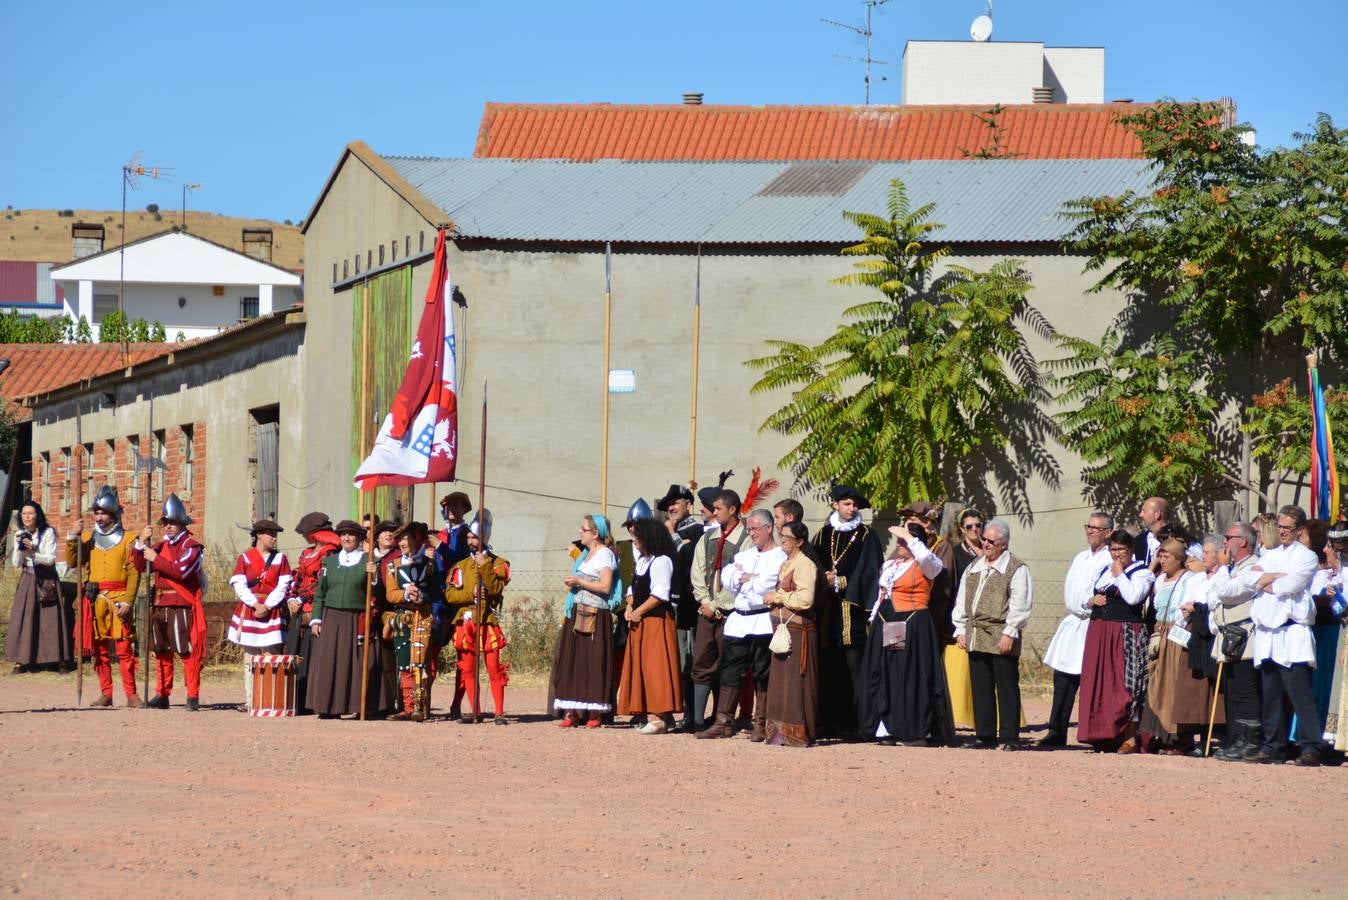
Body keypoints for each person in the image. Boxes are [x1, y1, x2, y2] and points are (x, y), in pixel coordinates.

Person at [858, 522, 953, 746]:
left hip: (912, 623)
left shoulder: (927, 565)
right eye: (899, 541)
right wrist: (873, 618)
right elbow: (882, 594)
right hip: (889, 622)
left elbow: (928, 561)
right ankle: (889, 727)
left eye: (903, 541)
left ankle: (914, 729)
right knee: (891, 673)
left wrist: (911, 538)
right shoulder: (891, 565)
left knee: (910, 675)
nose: (899, 544)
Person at [1246, 506, 1326, 765]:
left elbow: (1291, 585)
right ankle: (1273, 745)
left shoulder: (1307, 557)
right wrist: (1268, 581)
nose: (1282, 532)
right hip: (1268, 632)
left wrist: (1266, 583)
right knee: (1271, 694)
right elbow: (1251, 580)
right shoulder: (1268, 554)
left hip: (1293, 631)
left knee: (1299, 692)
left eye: (1288, 528)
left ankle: (1311, 746)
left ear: (1300, 529)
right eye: (1280, 526)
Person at [701, 509, 786, 740]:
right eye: (749, 529)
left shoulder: (780, 556)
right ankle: (723, 721)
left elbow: (766, 585)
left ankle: (761, 723)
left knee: (762, 672)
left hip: (762, 621)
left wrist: (749, 579)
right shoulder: (744, 555)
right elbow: (727, 578)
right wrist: (745, 577)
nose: (751, 533)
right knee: (730, 671)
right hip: (739, 621)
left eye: (755, 529)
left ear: (768, 528)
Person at [952, 518, 1032, 750]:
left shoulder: (1016, 568)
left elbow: (1021, 604)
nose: (985, 543)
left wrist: (1010, 632)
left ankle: (1010, 737)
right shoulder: (974, 567)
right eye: (984, 539)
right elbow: (961, 600)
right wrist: (960, 629)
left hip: (1001, 634)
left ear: (1003, 544)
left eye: (991, 541)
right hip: (976, 634)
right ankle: (985, 735)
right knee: (981, 686)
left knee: (1006, 686)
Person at [812, 484, 883, 740]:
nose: (851, 509)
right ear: (835, 505)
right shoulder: (822, 534)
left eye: (854, 505)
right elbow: (812, 563)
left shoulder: (867, 535)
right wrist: (823, 578)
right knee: (830, 668)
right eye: (846, 504)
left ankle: (860, 726)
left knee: (856, 670)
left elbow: (871, 571)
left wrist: (841, 581)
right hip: (828, 614)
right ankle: (829, 723)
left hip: (853, 615)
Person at [1039, 512, 1114, 748]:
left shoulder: (1109, 560)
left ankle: (1095, 733)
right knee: (1062, 679)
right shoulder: (1080, 557)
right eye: (1088, 526)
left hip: (1093, 624)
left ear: (1108, 533)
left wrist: (1087, 603)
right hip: (1073, 622)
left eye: (1096, 528)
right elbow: (1071, 590)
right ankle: (1056, 730)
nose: (1090, 531)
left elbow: (1099, 593)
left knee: (1091, 682)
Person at [1077, 530, 1155, 752]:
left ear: (1130, 550)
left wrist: (1120, 574)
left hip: (1125, 632)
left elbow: (1133, 597)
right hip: (1099, 631)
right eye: (1113, 549)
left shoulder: (1141, 573)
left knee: (1125, 684)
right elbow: (1083, 596)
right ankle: (1102, 734)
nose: (1117, 554)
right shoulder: (1104, 570)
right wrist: (1090, 601)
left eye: (1121, 549)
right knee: (1098, 682)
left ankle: (1128, 735)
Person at [1139, 538, 1216, 754]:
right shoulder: (1160, 579)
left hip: (1177, 636)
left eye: (1167, 557)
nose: (1163, 561)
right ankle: (1160, 735)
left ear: (1179, 558)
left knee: (1175, 687)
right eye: (1160, 556)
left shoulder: (1191, 579)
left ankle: (1179, 739)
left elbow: (1187, 608)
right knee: (1157, 686)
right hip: (1160, 634)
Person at [65, 487, 141, 706]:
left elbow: (134, 572)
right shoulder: (87, 538)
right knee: (99, 651)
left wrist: (128, 600)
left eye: (103, 513)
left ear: (114, 514)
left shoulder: (129, 539)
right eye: (96, 513)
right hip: (95, 599)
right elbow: (72, 562)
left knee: (124, 649)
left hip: (119, 600)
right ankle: (106, 693)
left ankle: (131, 694)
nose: (99, 517)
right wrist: (72, 536)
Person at [308, 520, 389, 718]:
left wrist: (375, 575)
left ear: (359, 538)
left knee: (356, 663)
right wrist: (316, 619)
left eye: (351, 534)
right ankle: (328, 707)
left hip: (357, 618)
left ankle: (357, 706)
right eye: (343, 534)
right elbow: (320, 593)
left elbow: (379, 593)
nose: (346, 538)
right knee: (329, 662)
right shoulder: (329, 562)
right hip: (331, 618)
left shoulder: (368, 561)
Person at [133, 493, 206, 711]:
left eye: (172, 522)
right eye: (166, 523)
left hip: (180, 602)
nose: (168, 527)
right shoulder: (158, 546)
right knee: (161, 649)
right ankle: (162, 694)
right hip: (159, 602)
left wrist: (156, 559)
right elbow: (138, 566)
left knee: (185, 650)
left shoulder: (192, 546)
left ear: (182, 523)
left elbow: (181, 571)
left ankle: (192, 695)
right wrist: (140, 543)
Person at [689, 488, 751, 732]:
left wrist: (717, 604)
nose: (713, 513)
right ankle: (696, 720)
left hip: (731, 613)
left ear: (732, 510)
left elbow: (741, 578)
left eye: (717, 509)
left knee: (730, 665)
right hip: (707, 611)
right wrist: (705, 601)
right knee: (702, 662)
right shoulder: (707, 538)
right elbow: (698, 571)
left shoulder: (745, 540)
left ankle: (723, 719)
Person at [552, 515, 622, 727]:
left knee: (593, 660)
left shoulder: (604, 554)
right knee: (574, 659)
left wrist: (579, 581)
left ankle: (595, 713)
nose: (580, 532)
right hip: (577, 611)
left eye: (583, 529)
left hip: (595, 614)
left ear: (595, 533)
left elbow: (606, 586)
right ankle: (572, 711)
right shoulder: (586, 555)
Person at [618, 517, 683, 734]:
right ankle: (653, 714)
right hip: (641, 621)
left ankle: (658, 717)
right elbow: (633, 589)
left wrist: (638, 611)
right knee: (642, 667)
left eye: (638, 536)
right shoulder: (644, 561)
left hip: (656, 622)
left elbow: (659, 594)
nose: (634, 540)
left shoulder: (661, 561)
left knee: (656, 668)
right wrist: (629, 607)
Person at [444, 512, 511, 724]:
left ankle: (499, 712)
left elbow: (496, 589)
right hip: (466, 622)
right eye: (469, 537)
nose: (470, 540)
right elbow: (450, 595)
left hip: (487, 621)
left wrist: (485, 566)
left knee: (493, 668)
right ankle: (476, 712)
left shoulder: (498, 563)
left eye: (474, 537)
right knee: (468, 669)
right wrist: (470, 594)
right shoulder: (460, 566)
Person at [1209, 522, 1264, 761]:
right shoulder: (1233, 568)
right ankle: (1237, 739)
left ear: (1242, 541)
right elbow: (1213, 597)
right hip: (1228, 636)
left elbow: (1226, 592)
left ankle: (1250, 742)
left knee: (1246, 691)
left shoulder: (1254, 567)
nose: (1224, 542)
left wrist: (1221, 569)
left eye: (1228, 537)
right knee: (1232, 692)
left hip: (1246, 637)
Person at [762, 520, 819, 746]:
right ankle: (778, 735)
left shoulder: (805, 564)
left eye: (787, 536)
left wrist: (778, 597)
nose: (783, 539)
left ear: (800, 541)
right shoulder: (787, 563)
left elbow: (806, 599)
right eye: (782, 535)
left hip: (798, 633)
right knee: (779, 684)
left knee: (795, 685)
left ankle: (796, 735)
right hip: (782, 632)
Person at [226, 519, 292, 711]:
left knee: (271, 654)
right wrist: (255, 604)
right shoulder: (245, 558)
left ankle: (270, 699)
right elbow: (239, 584)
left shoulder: (280, 559)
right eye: (270, 534)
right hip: (250, 609)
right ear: (259, 535)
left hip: (271, 611)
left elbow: (283, 585)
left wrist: (268, 605)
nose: (274, 538)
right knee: (250, 657)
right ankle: (251, 699)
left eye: (275, 535)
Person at [383, 522, 444, 722]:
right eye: (399, 539)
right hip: (402, 617)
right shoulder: (392, 566)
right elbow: (390, 595)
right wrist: (405, 594)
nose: (402, 542)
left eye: (406, 538)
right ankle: (408, 707)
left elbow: (437, 592)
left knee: (421, 663)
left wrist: (422, 597)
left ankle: (421, 706)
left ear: (416, 539)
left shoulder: (429, 564)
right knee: (404, 664)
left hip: (422, 617)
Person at [6, 500, 71, 674]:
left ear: (38, 515)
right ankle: (23, 659)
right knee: (25, 618)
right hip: (27, 578)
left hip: (47, 579)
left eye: (31, 513)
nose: (27, 516)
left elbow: (50, 559)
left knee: (50, 620)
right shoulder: (19, 533)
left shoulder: (48, 532)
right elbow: (15, 564)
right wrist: (20, 549)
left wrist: (33, 551)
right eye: (24, 513)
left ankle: (58, 660)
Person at [286, 512, 341, 714]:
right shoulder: (307, 553)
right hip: (300, 610)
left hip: (318, 608)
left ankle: (312, 701)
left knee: (313, 654)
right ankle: (296, 699)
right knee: (297, 652)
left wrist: (303, 598)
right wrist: (291, 597)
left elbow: (322, 582)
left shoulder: (330, 553)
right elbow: (298, 577)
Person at [659, 484, 703, 732]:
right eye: (668, 505)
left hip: (689, 607)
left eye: (676, 502)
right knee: (675, 662)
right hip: (671, 606)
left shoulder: (698, 531)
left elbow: (688, 561)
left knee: (691, 662)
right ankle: (677, 713)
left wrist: (674, 537)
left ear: (689, 504)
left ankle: (693, 716)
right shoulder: (667, 531)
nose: (672, 508)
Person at [431, 491, 473, 572]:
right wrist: (426, 554)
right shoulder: (440, 534)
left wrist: (439, 546)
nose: (451, 508)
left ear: (464, 509)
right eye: (448, 505)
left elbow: (461, 561)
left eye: (455, 505)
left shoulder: (467, 535)